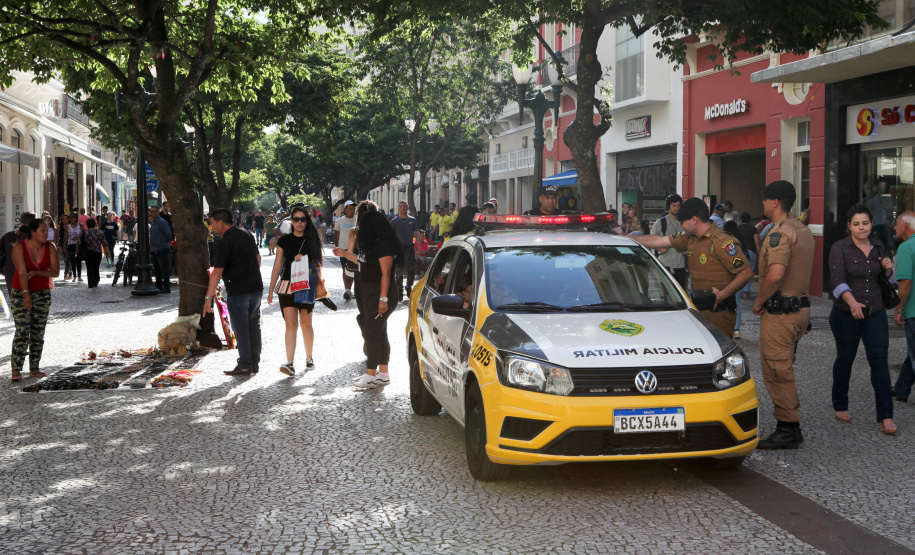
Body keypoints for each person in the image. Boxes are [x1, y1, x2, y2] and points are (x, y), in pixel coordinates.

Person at [752, 180, 815, 450]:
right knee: (784, 366)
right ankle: (791, 425)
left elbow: (776, 275)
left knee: (777, 370)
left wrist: (759, 300)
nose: (763, 204)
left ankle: (788, 428)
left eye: (765, 199)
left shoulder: (779, 233)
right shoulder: (802, 229)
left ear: (774, 202)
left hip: (781, 313)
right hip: (798, 308)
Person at [632, 198, 753, 336]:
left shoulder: (722, 241)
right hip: (698, 311)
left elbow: (746, 272)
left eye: (682, 221)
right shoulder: (689, 238)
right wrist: (624, 238)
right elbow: (658, 241)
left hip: (719, 313)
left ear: (694, 220)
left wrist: (723, 294)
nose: (681, 225)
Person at [827, 204, 896, 433]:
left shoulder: (878, 246)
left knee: (879, 362)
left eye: (865, 223)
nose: (861, 227)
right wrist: (852, 302)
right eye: (856, 224)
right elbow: (837, 280)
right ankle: (840, 402)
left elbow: (883, 279)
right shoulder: (840, 248)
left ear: (871, 223)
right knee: (845, 359)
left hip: (874, 312)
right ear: (849, 226)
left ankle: (886, 416)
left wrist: (887, 268)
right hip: (846, 314)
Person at [334, 210, 402, 389]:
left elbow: (386, 274)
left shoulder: (384, 246)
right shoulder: (373, 246)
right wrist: (343, 254)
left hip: (381, 294)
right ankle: (383, 373)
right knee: (380, 332)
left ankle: (371, 374)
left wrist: (383, 299)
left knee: (371, 333)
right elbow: (362, 261)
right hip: (371, 293)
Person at [204, 209, 263, 376]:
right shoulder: (246, 234)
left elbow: (216, 272)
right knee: (253, 325)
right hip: (255, 287)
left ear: (221, 223)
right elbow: (258, 259)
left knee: (241, 327)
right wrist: (249, 273)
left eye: (212, 223)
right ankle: (254, 361)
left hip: (239, 289)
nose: (211, 226)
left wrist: (208, 298)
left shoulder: (226, 241)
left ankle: (245, 363)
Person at [267, 206, 323, 376]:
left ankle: (309, 357)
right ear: (290, 221)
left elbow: (319, 263)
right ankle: (290, 362)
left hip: (306, 285)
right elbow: (277, 266)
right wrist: (270, 290)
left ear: (307, 221)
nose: (299, 222)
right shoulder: (283, 241)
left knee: (306, 324)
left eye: (303, 219)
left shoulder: (312, 239)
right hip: (287, 285)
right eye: (296, 219)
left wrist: (305, 260)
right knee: (290, 324)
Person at [9, 218, 59, 381]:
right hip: (20, 292)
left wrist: (38, 273)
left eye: (47, 230)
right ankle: (16, 369)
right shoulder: (19, 247)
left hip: (42, 293)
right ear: (32, 232)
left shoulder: (50, 247)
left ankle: (34, 368)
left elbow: (55, 272)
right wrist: (26, 294)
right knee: (22, 329)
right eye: (43, 230)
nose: (46, 233)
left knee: (38, 331)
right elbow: (22, 272)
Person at [893, 212, 915, 403]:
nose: (894, 227)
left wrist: (899, 309)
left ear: (906, 226)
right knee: (912, 352)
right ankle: (902, 388)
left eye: (897, 224)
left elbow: (906, 282)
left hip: (914, 311)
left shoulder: (906, 247)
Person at [650, 194, 688, 289]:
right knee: (667, 292)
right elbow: (651, 240)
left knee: (681, 291)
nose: (676, 208)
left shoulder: (684, 222)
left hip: (680, 264)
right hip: (665, 263)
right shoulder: (661, 222)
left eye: (678, 205)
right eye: (674, 205)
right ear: (669, 207)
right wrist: (659, 247)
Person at [390, 201, 421, 299]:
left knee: (411, 270)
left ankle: (409, 287)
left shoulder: (412, 220)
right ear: (398, 208)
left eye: (404, 206)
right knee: (398, 271)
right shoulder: (394, 221)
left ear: (407, 208)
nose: (402, 208)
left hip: (409, 248)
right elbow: (390, 236)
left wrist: (419, 246)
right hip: (399, 250)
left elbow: (416, 233)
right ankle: (399, 290)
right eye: (400, 206)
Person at [2, 212, 36, 298]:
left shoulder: (8, 236)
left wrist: (3, 269)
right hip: (32, 275)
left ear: (20, 222)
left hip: (12, 274)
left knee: (16, 303)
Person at [334, 200, 357, 300]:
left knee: (355, 270)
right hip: (343, 249)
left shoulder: (357, 220)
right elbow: (336, 234)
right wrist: (337, 247)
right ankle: (347, 290)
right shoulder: (340, 220)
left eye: (353, 209)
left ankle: (356, 290)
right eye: (350, 209)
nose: (352, 211)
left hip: (355, 250)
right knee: (345, 270)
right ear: (345, 210)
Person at [149, 206, 174, 293]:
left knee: (164, 269)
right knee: (156, 270)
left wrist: (163, 243)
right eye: (150, 211)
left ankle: (167, 287)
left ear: (158, 212)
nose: (151, 213)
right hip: (154, 249)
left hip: (162, 249)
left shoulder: (162, 222)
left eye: (153, 211)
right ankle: (159, 285)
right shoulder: (153, 222)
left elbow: (169, 235)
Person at [83, 219, 107, 288]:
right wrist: (108, 253)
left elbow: (79, 243)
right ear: (95, 224)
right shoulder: (99, 233)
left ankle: (90, 283)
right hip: (97, 252)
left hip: (88, 252)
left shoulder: (84, 233)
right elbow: (104, 243)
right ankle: (96, 281)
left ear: (87, 225)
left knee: (89, 267)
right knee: (96, 267)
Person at [66, 212, 85, 282]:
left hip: (79, 245)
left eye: (73, 218)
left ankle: (79, 276)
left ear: (76, 219)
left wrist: (78, 237)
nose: (72, 219)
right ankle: (74, 276)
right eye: (70, 218)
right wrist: (64, 245)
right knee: (72, 260)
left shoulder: (80, 225)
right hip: (70, 244)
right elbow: (65, 236)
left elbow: (84, 235)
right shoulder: (68, 226)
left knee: (78, 260)